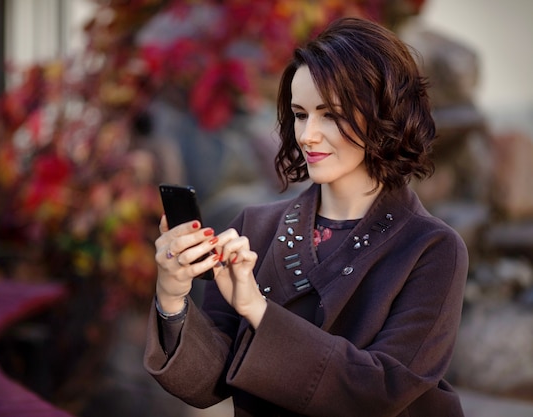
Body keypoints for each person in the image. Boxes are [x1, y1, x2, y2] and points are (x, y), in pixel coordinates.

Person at [144, 16, 468, 417]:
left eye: (329, 114)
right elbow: (209, 383)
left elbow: (383, 389)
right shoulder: (253, 229)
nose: (307, 135)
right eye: (300, 114)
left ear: (384, 112)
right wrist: (172, 296)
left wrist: (257, 309)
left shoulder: (432, 248)